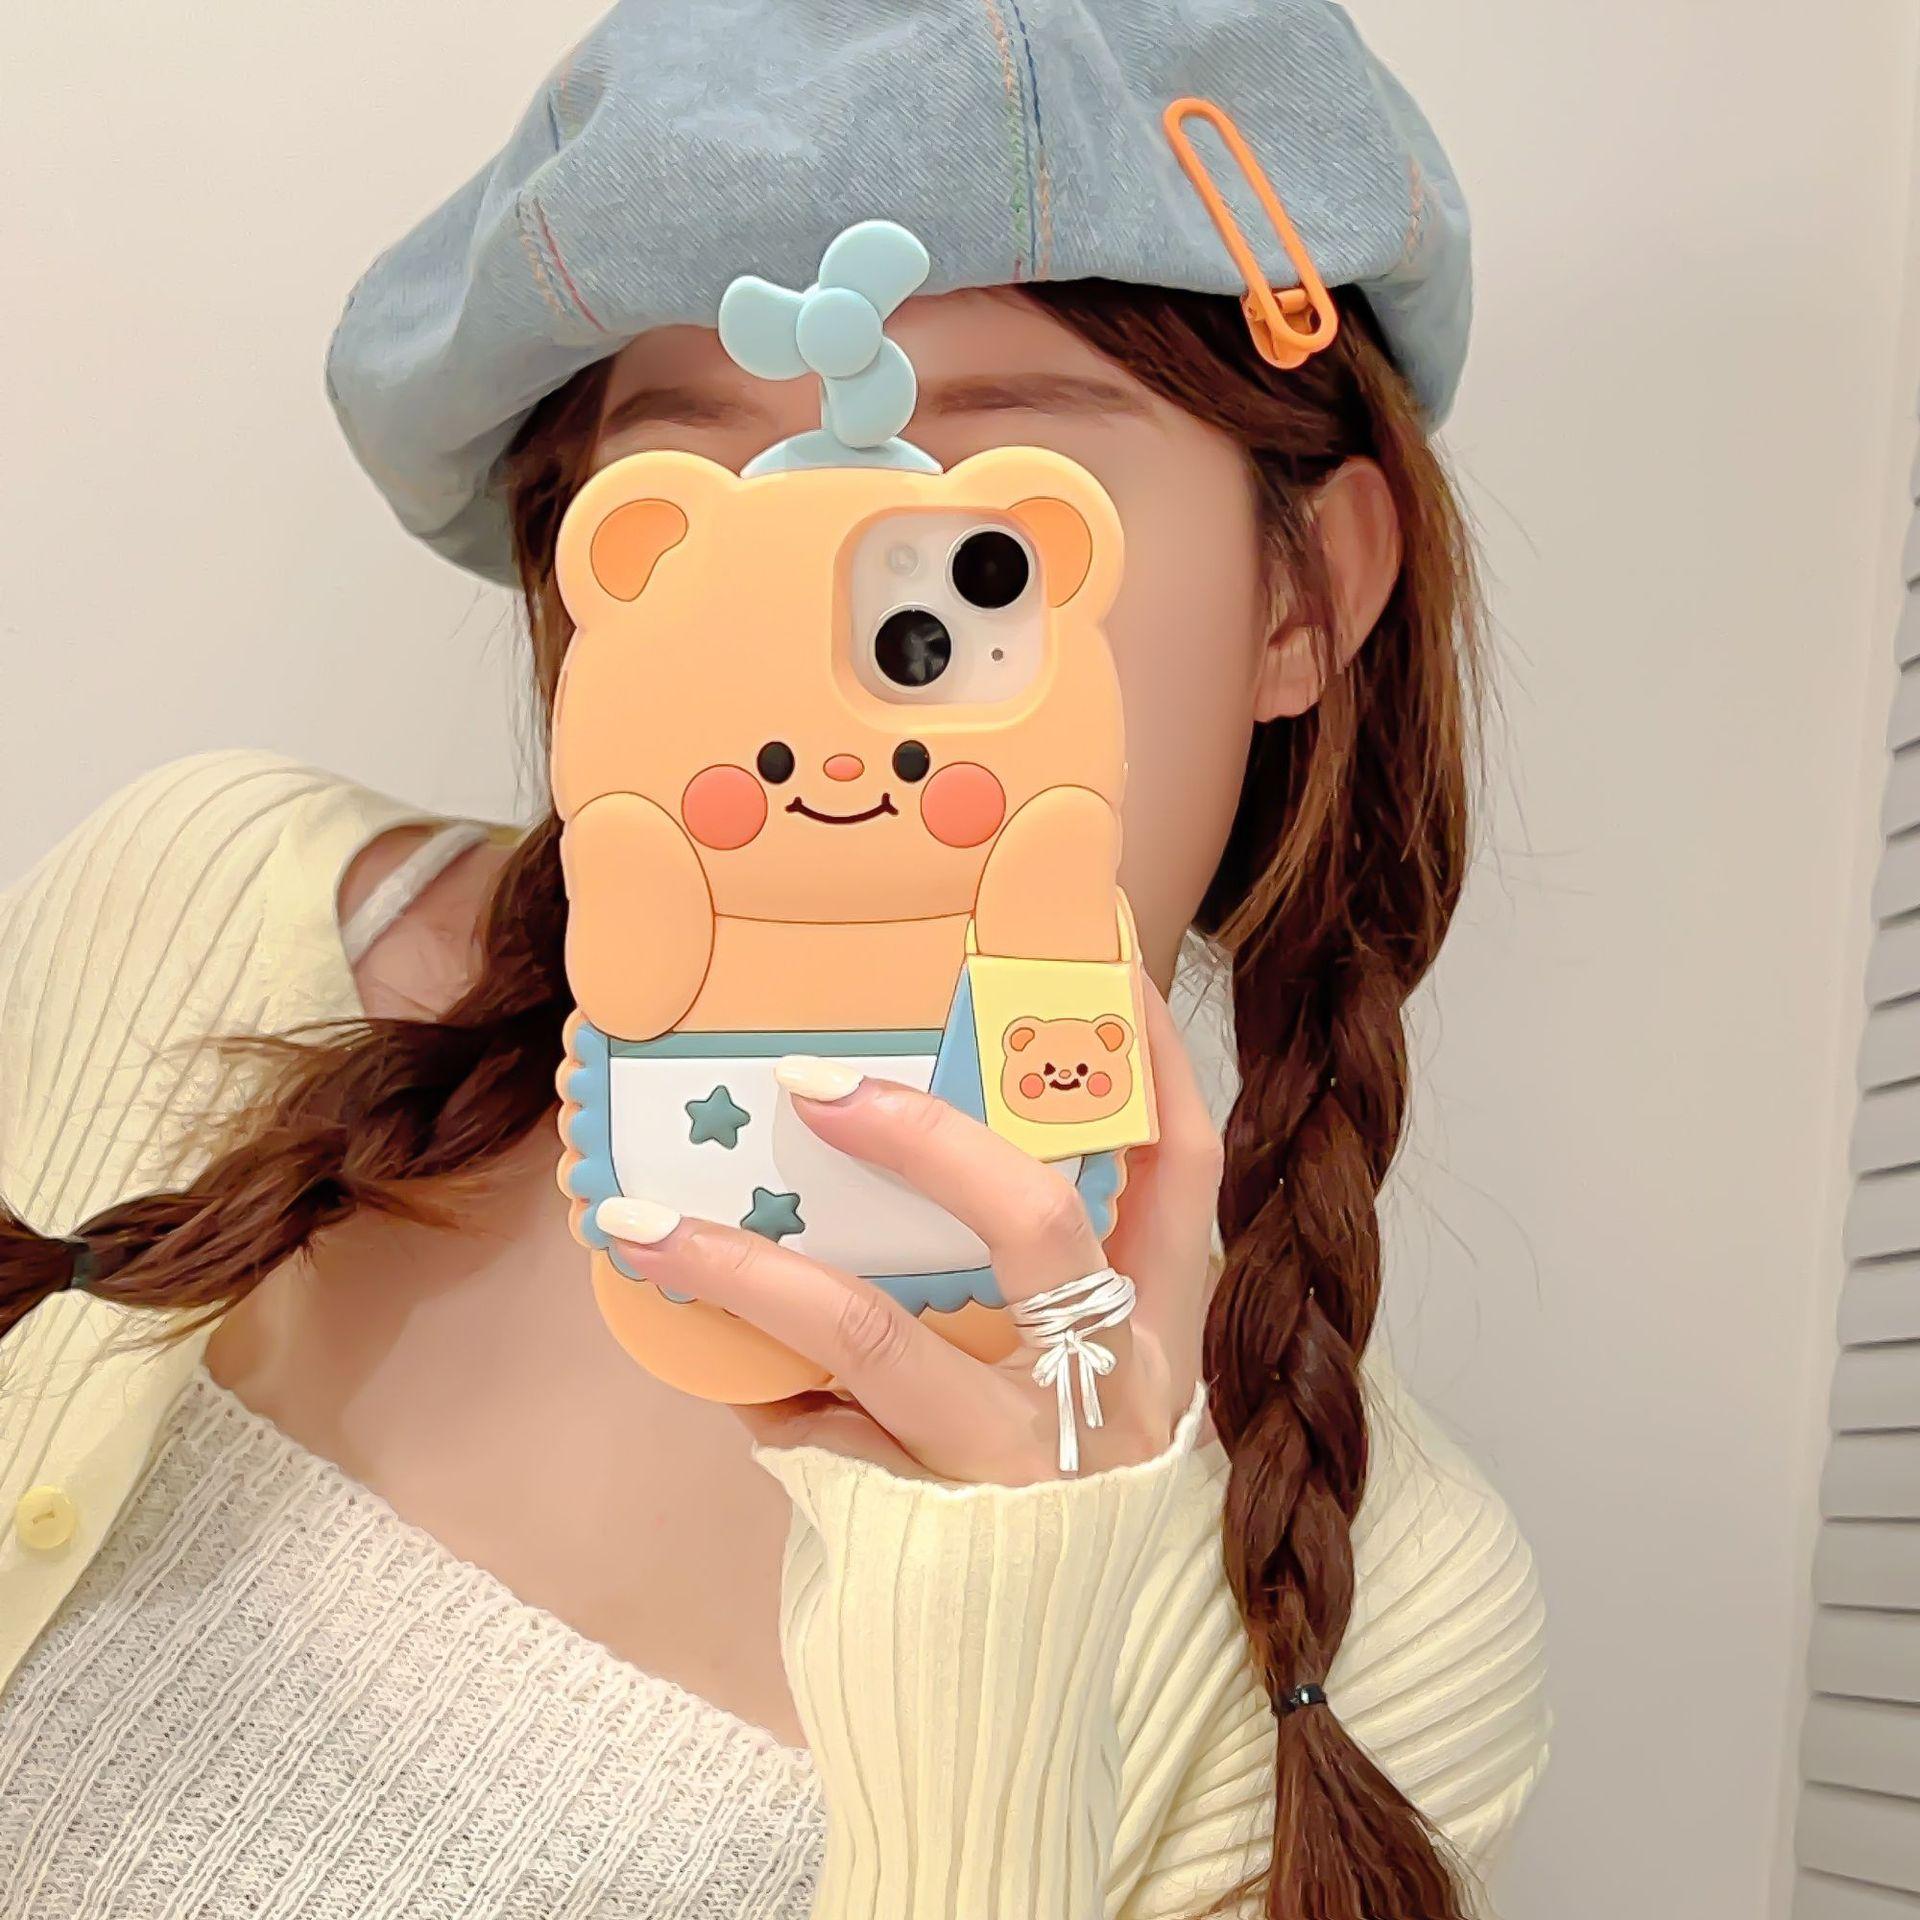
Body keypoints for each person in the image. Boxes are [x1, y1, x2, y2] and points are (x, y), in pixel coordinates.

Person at [0, 4, 1550, 1916]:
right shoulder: (200, 911)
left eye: (952, 535)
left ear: (1307, 593)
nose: (827, 662)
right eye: (714, 502)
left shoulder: (1379, 1632)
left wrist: (999, 1609)